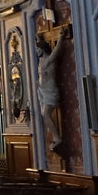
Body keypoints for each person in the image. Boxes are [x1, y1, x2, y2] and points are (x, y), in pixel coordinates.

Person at [36, 24, 71, 154]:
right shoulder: (41, 61)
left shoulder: (49, 60)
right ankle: (56, 137)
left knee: (45, 115)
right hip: (43, 92)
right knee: (44, 115)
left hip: (51, 91)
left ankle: (57, 138)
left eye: (37, 49)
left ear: (42, 50)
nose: (36, 51)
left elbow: (56, 50)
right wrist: (39, 39)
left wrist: (61, 37)